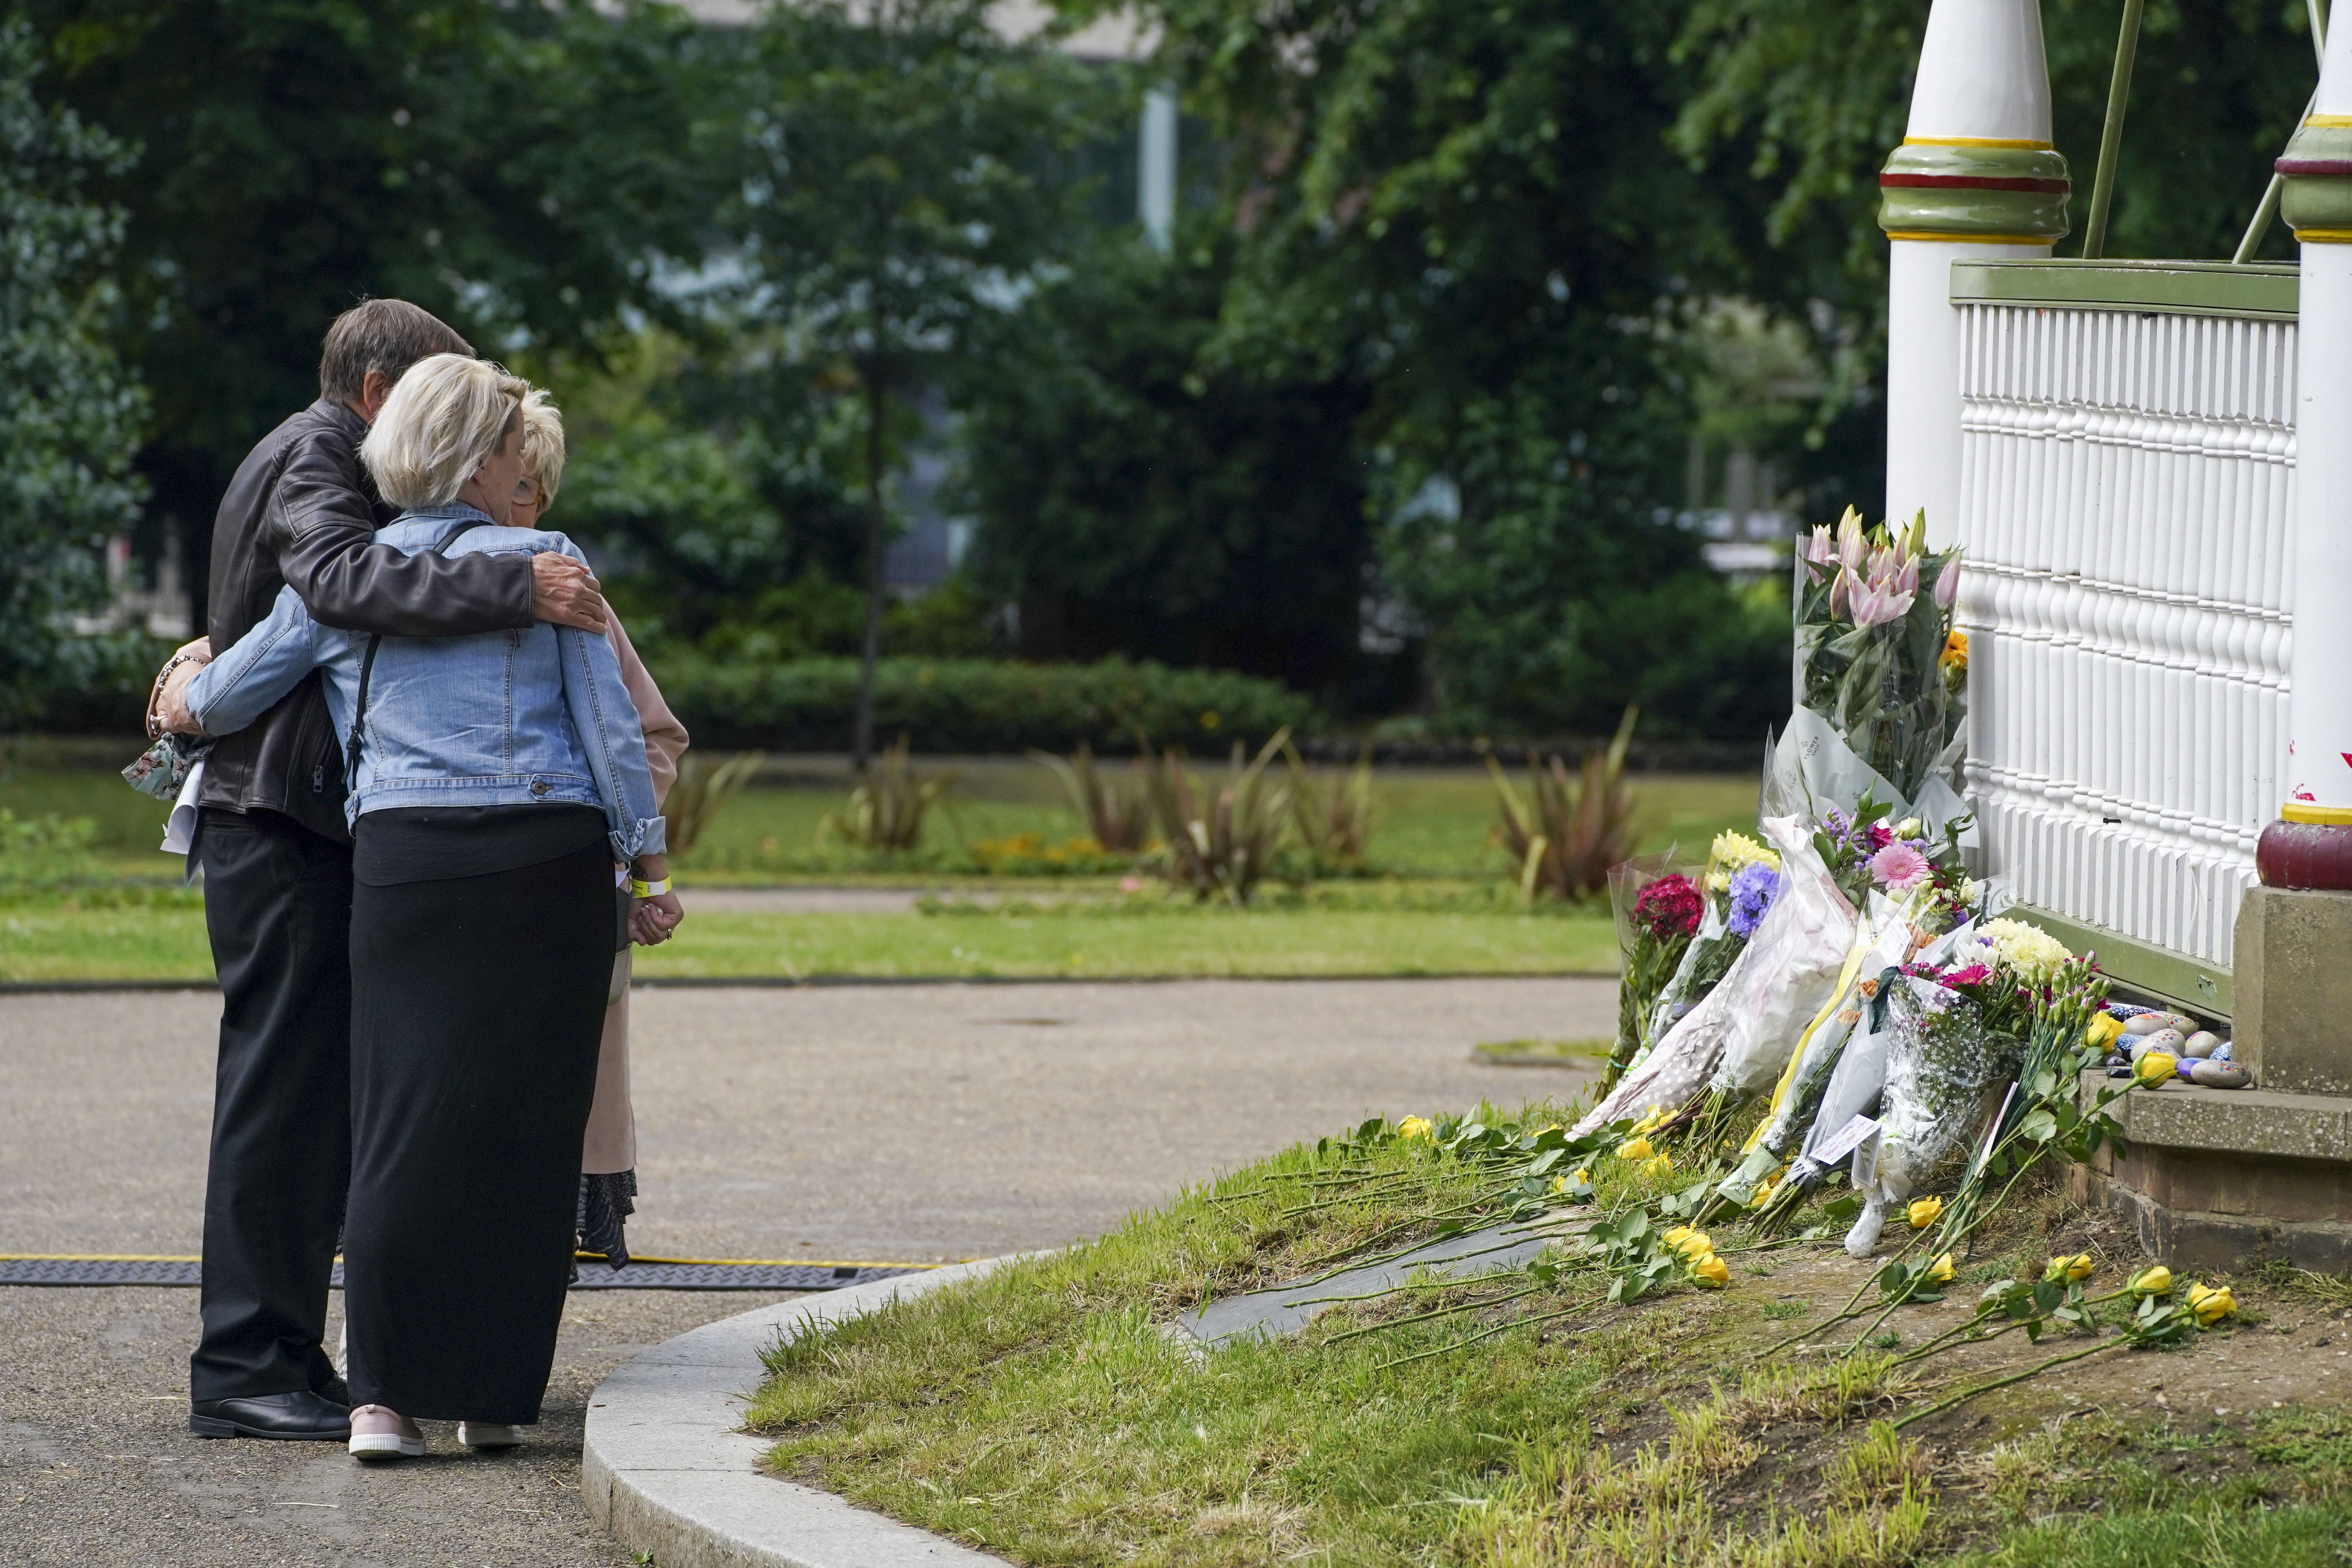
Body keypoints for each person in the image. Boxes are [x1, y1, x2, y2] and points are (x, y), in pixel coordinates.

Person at [164, 354, 679, 1461]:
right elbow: (613, 738)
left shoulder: (346, 575)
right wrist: (648, 867)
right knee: (525, 1140)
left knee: (397, 1127)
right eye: (508, 445)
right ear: (474, 455)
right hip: (546, 860)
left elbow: (223, 697)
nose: (520, 462)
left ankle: (380, 1403)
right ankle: (490, 1401)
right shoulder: (549, 562)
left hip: (402, 863)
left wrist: (182, 685)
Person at [508, 389, 689, 1264]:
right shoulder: (401, 581)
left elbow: (649, 735)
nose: (523, 509)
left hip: (573, 873)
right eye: (514, 483)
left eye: (536, 491)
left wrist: (617, 837)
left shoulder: (574, 592)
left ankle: (584, 1209)